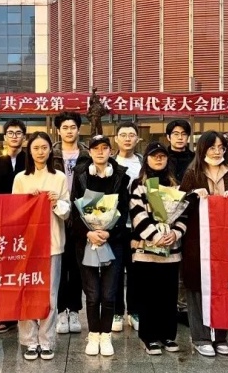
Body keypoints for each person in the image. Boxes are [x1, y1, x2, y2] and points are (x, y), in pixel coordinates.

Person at [180, 131, 228, 356]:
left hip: (224, 240)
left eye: (220, 147)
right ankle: (200, 336)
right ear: (202, 149)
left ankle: (221, 336)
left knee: (222, 286)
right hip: (197, 240)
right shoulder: (192, 173)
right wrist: (192, 195)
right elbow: (179, 205)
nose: (216, 152)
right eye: (212, 147)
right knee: (196, 286)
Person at [12, 131, 71, 360]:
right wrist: (28, 200)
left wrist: (56, 203)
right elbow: (13, 212)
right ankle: (29, 340)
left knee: (50, 295)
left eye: (44, 148)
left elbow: (67, 212)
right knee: (26, 292)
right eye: (35, 148)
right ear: (29, 151)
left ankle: (46, 340)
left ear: (50, 150)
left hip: (52, 243)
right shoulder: (21, 179)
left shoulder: (59, 177)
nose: (40, 152)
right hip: (26, 246)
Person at [71, 135, 130, 356]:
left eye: (105, 148)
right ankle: (93, 334)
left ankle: (106, 336)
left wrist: (109, 232)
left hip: (112, 241)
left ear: (111, 151)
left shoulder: (121, 176)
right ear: (90, 152)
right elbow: (74, 209)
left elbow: (123, 210)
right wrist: (88, 232)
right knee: (92, 293)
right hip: (86, 240)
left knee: (109, 293)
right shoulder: (81, 175)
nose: (100, 152)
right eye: (96, 148)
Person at [130, 142, 189, 355]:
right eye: (154, 156)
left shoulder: (175, 185)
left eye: (162, 156)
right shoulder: (139, 185)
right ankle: (149, 337)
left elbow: (183, 214)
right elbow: (137, 214)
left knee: (168, 295)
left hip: (172, 251)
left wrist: (175, 234)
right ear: (146, 159)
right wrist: (156, 236)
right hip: (146, 250)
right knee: (149, 296)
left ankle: (168, 336)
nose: (158, 159)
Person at [0, 119, 28, 334]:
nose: (14, 136)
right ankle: (8, 315)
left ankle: (29, 310)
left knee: (28, 269)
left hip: (28, 223)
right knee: (5, 270)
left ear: (24, 137)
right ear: (4, 137)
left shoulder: (31, 160)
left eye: (18, 132)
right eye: (10, 133)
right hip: (2, 224)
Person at [52, 110, 90, 335]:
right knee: (58, 265)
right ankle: (60, 311)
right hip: (56, 216)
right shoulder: (51, 153)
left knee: (77, 266)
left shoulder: (87, 154)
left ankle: (74, 310)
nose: (69, 131)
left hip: (80, 216)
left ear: (78, 129)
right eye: (64, 127)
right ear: (58, 130)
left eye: (72, 127)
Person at [113, 120, 143, 332]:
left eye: (131, 135)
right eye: (123, 135)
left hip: (139, 225)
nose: (127, 139)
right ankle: (116, 312)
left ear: (137, 138)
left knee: (136, 270)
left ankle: (134, 311)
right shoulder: (110, 163)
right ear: (116, 139)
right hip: (115, 224)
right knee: (114, 270)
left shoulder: (143, 163)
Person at [165, 119, 195, 325]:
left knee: (186, 264)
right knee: (167, 263)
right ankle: (169, 306)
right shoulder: (161, 157)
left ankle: (183, 307)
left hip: (189, 217)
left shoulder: (195, 160)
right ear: (168, 137)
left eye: (183, 134)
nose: (179, 137)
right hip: (164, 217)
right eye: (175, 134)